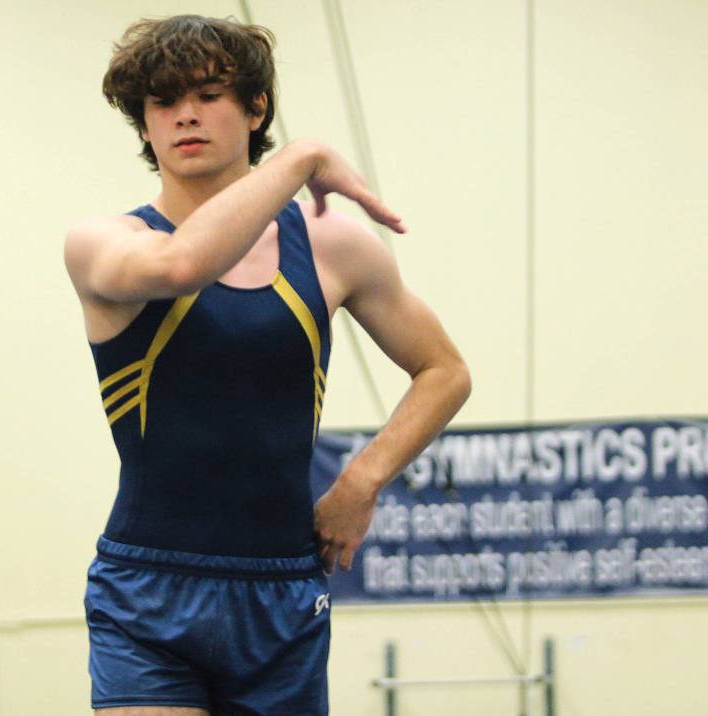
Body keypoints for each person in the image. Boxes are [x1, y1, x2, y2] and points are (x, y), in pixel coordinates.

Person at [63, 14, 471, 716]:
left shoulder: (333, 248)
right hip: (148, 590)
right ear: (145, 126)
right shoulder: (106, 243)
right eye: (163, 102)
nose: (185, 115)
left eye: (209, 94)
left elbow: (445, 370)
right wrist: (303, 158)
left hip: (283, 587)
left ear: (256, 109)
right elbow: (186, 262)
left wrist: (362, 480)